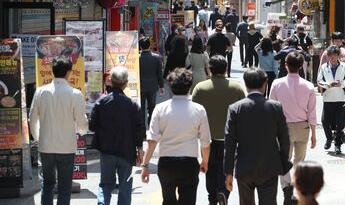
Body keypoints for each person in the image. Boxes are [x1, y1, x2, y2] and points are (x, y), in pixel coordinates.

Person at [141, 68, 211, 205]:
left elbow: (152, 140)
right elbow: (205, 142)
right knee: (188, 200)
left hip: (166, 162)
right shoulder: (199, 109)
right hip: (189, 162)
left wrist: (145, 165)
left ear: (170, 86)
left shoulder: (160, 108)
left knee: (168, 200)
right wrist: (205, 161)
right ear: (190, 86)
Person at [224, 68, 291, 205]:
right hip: (269, 166)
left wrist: (228, 172)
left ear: (246, 85)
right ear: (265, 84)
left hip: (244, 166)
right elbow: (285, 139)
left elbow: (229, 143)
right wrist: (282, 162)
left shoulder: (235, 108)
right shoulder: (275, 107)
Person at [29, 58, 88, 205]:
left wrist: (37, 137)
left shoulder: (40, 92)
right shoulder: (75, 94)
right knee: (64, 185)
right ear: (68, 73)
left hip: (46, 145)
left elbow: (32, 118)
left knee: (47, 183)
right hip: (67, 146)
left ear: (52, 71)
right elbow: (82, 121)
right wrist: (82, 131)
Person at [192, 56, 245, 204]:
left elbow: (194, 113)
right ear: (225, 68)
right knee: (227, 168)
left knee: (209, 168)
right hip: (229, 138)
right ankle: (223, 193)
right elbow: (243, 113)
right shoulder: (236, 88)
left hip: (206, 138)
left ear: (210, 69)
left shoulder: (200, 88)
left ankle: (212, 198)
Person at [89, 66, 144, 205]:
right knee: (125, 186)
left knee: (105, 184)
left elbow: (92, 126)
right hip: (127, 151)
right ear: (125, 83)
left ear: (111, 82)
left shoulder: (101, 102)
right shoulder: (132, 105)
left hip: (106, 150)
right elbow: (139, 130)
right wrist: (140, 148)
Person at [269, 51, 317, 204]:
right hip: (303, 127)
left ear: (285, 65)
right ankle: (296, 187)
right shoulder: (309, 86)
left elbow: (271, 108)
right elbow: (312, 112)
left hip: (283, 127)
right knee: (299, 160)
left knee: (284, 160)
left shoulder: (277, 84)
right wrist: (314, 133)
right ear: (301, 66)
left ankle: (286, 188)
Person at [317, 45, 345, 154]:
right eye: (330, 57)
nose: (332, 59)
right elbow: (319, 81)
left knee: (340, 123)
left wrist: (341, 84)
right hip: (328, 98)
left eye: (334, 56)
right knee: (325, 121)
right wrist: (327, 84)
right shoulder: (324, 67)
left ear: (338, 56)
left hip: (341, 98)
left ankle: (338, 144)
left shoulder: (344, 66)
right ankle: (329, 138)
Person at [139, 37, 165, 127]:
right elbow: (159, 74)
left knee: (141, 110)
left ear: (140, 47)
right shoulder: (156, 57)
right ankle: (151, 129)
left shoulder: (137, 58)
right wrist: (161, 86)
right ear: (150, 45)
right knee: (152, 109)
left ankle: (142, 132)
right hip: (153, 86)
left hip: (140, 87)